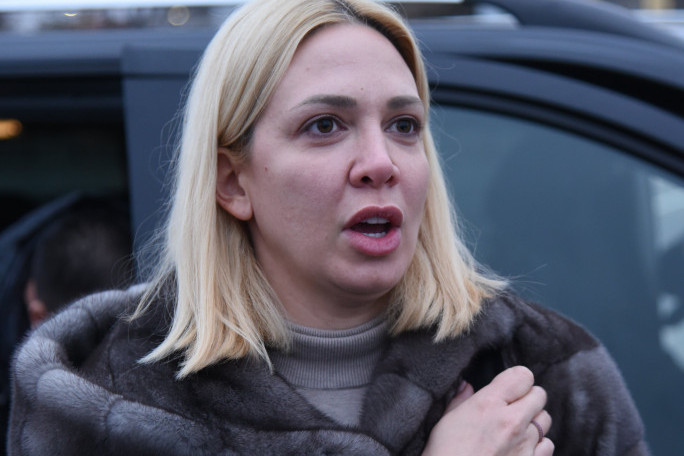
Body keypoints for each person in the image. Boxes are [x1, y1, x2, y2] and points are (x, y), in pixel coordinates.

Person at [7, 0, 648, 454]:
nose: (380, 162)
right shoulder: (107, 402)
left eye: (403, 125)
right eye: (325, 126)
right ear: (233, 183)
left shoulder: (543, 375)